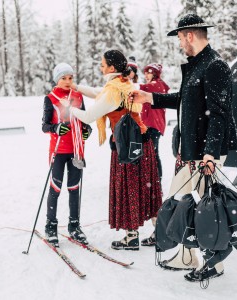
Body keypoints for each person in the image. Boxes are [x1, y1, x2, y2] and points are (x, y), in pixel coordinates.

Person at [130, 14, 237, 281]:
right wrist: (150, 97)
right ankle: (188, 255)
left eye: (180, 38)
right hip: (192, 150)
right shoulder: (198, 66)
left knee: (206, 208)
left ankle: (214, 262)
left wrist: (210, 154)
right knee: (180, 200)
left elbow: (219, 114)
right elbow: (185, 99)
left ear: (190, 35)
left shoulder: (215, 66)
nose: (180, 43)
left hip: (206, 153)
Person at [70, 49, 162, 251]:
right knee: (147, 187)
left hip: (125, 145)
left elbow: (89, 116)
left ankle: (131, 237)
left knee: (130, 187)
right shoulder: (124, 83)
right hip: (141, 141)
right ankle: (159, 231)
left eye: (103, 64)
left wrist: (69, 109)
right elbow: (100, 94)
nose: (100, 67)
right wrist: (76, 87)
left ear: (111, 67)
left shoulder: (113, 90)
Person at [42, 63, 92, 247]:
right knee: (55, 187)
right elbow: (44, 125)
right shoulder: (51, 98)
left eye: (70, 78)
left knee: (74, 188)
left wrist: (87, 130)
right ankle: (51, 226)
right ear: (57, 79)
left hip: (76, 150)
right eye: (63, 78)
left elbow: (85, 120)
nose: (67, 81)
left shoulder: (78, 96)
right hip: (58, 150)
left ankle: (74, 225)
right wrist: (55, 128)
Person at [138, 63, 170, 247]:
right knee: (152, 153)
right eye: (146, 73)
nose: (147, 75)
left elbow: (143, 90)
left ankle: (155, 178)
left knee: (153, 153)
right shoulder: (155, 86)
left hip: (153, 126)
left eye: (150, 72)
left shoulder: (158, 85)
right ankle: (155, 177)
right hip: (151, 124)